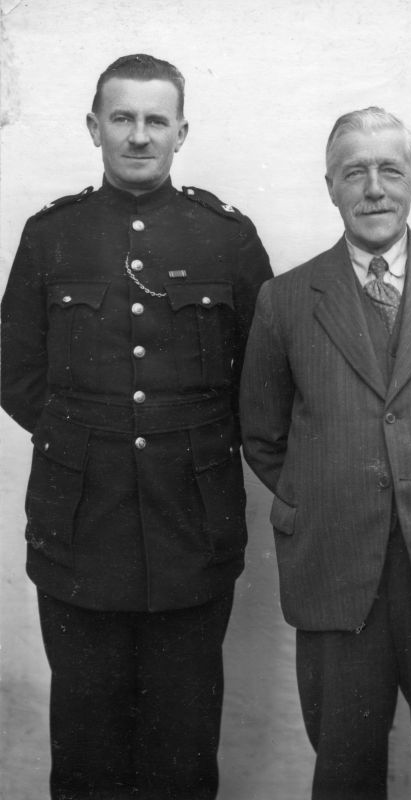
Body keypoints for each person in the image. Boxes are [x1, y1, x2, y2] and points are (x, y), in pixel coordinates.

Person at [1, 53, 272, 800]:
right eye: (123, 117)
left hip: (193, 525)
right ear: (94, 127)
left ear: (182, 130)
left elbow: (262, 375)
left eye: (156, 120)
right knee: (86, 747)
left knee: (183, 747)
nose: (139, 135)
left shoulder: (227, 239)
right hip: (79, 528)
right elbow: (15, 368)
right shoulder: (51, 235)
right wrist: (87, 441)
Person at [240, 107, 411, 800]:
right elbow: (265, 436)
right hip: (336, 567)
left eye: (389, 169)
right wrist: (324, 491)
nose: (373, 188)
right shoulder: (286, 299)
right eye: (353, 172)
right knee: (343, 772)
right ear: (329, 186)